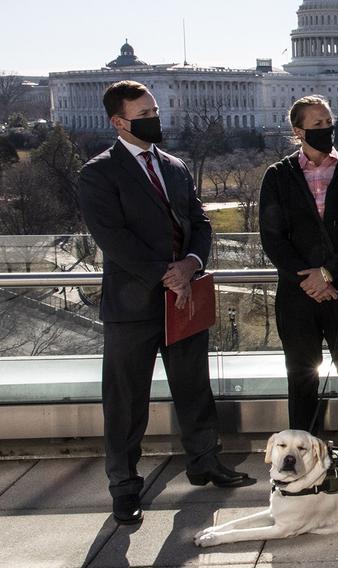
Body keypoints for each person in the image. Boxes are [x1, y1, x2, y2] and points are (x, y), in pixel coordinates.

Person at [77, 81, 249, 526]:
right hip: (132, 304)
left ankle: (204, 461)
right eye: (146, 112)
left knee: (193, 386)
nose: (157, 117)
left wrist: (191, 263)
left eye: (155, 109)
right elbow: (112, 238)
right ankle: (124, 484)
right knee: (126, 399)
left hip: (183, 298)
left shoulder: (173, 166)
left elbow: (199, 221)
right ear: (119, 122)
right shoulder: (99, 172)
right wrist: (164, 273)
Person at [259, 95, 338, 448]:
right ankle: (304, 460)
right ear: (298, 131)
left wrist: (328, 273)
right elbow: (273, 237)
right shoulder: (279, 176)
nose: (326, 130)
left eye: (328, 123)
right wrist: (310, 279)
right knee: (301, 380)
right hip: (298, 296)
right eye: (317, 125)